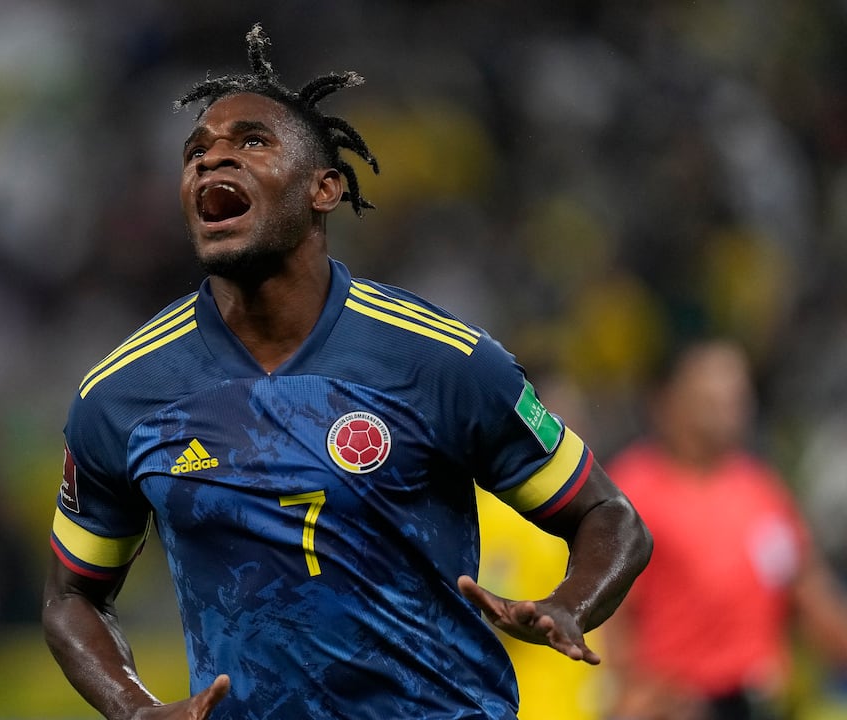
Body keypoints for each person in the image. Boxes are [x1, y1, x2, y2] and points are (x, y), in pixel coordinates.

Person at [42, 24, 652, 720]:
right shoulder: (121, 394)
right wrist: (135, 708)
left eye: (251, 143)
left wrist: (569, 605)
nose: (212, 163)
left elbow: (609, 515)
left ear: (323, 189)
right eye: (195, 154)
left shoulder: (442, 360)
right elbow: (71, 595)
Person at [604, 339, 847, 720]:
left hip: (760, 702)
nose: (730, 404)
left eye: (737, 392)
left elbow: (812, 599)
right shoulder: (632, 491)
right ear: (666, 401)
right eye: (711, 392)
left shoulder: (763, 491)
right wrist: (636, 694)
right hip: (678, 704)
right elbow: (605, 618)